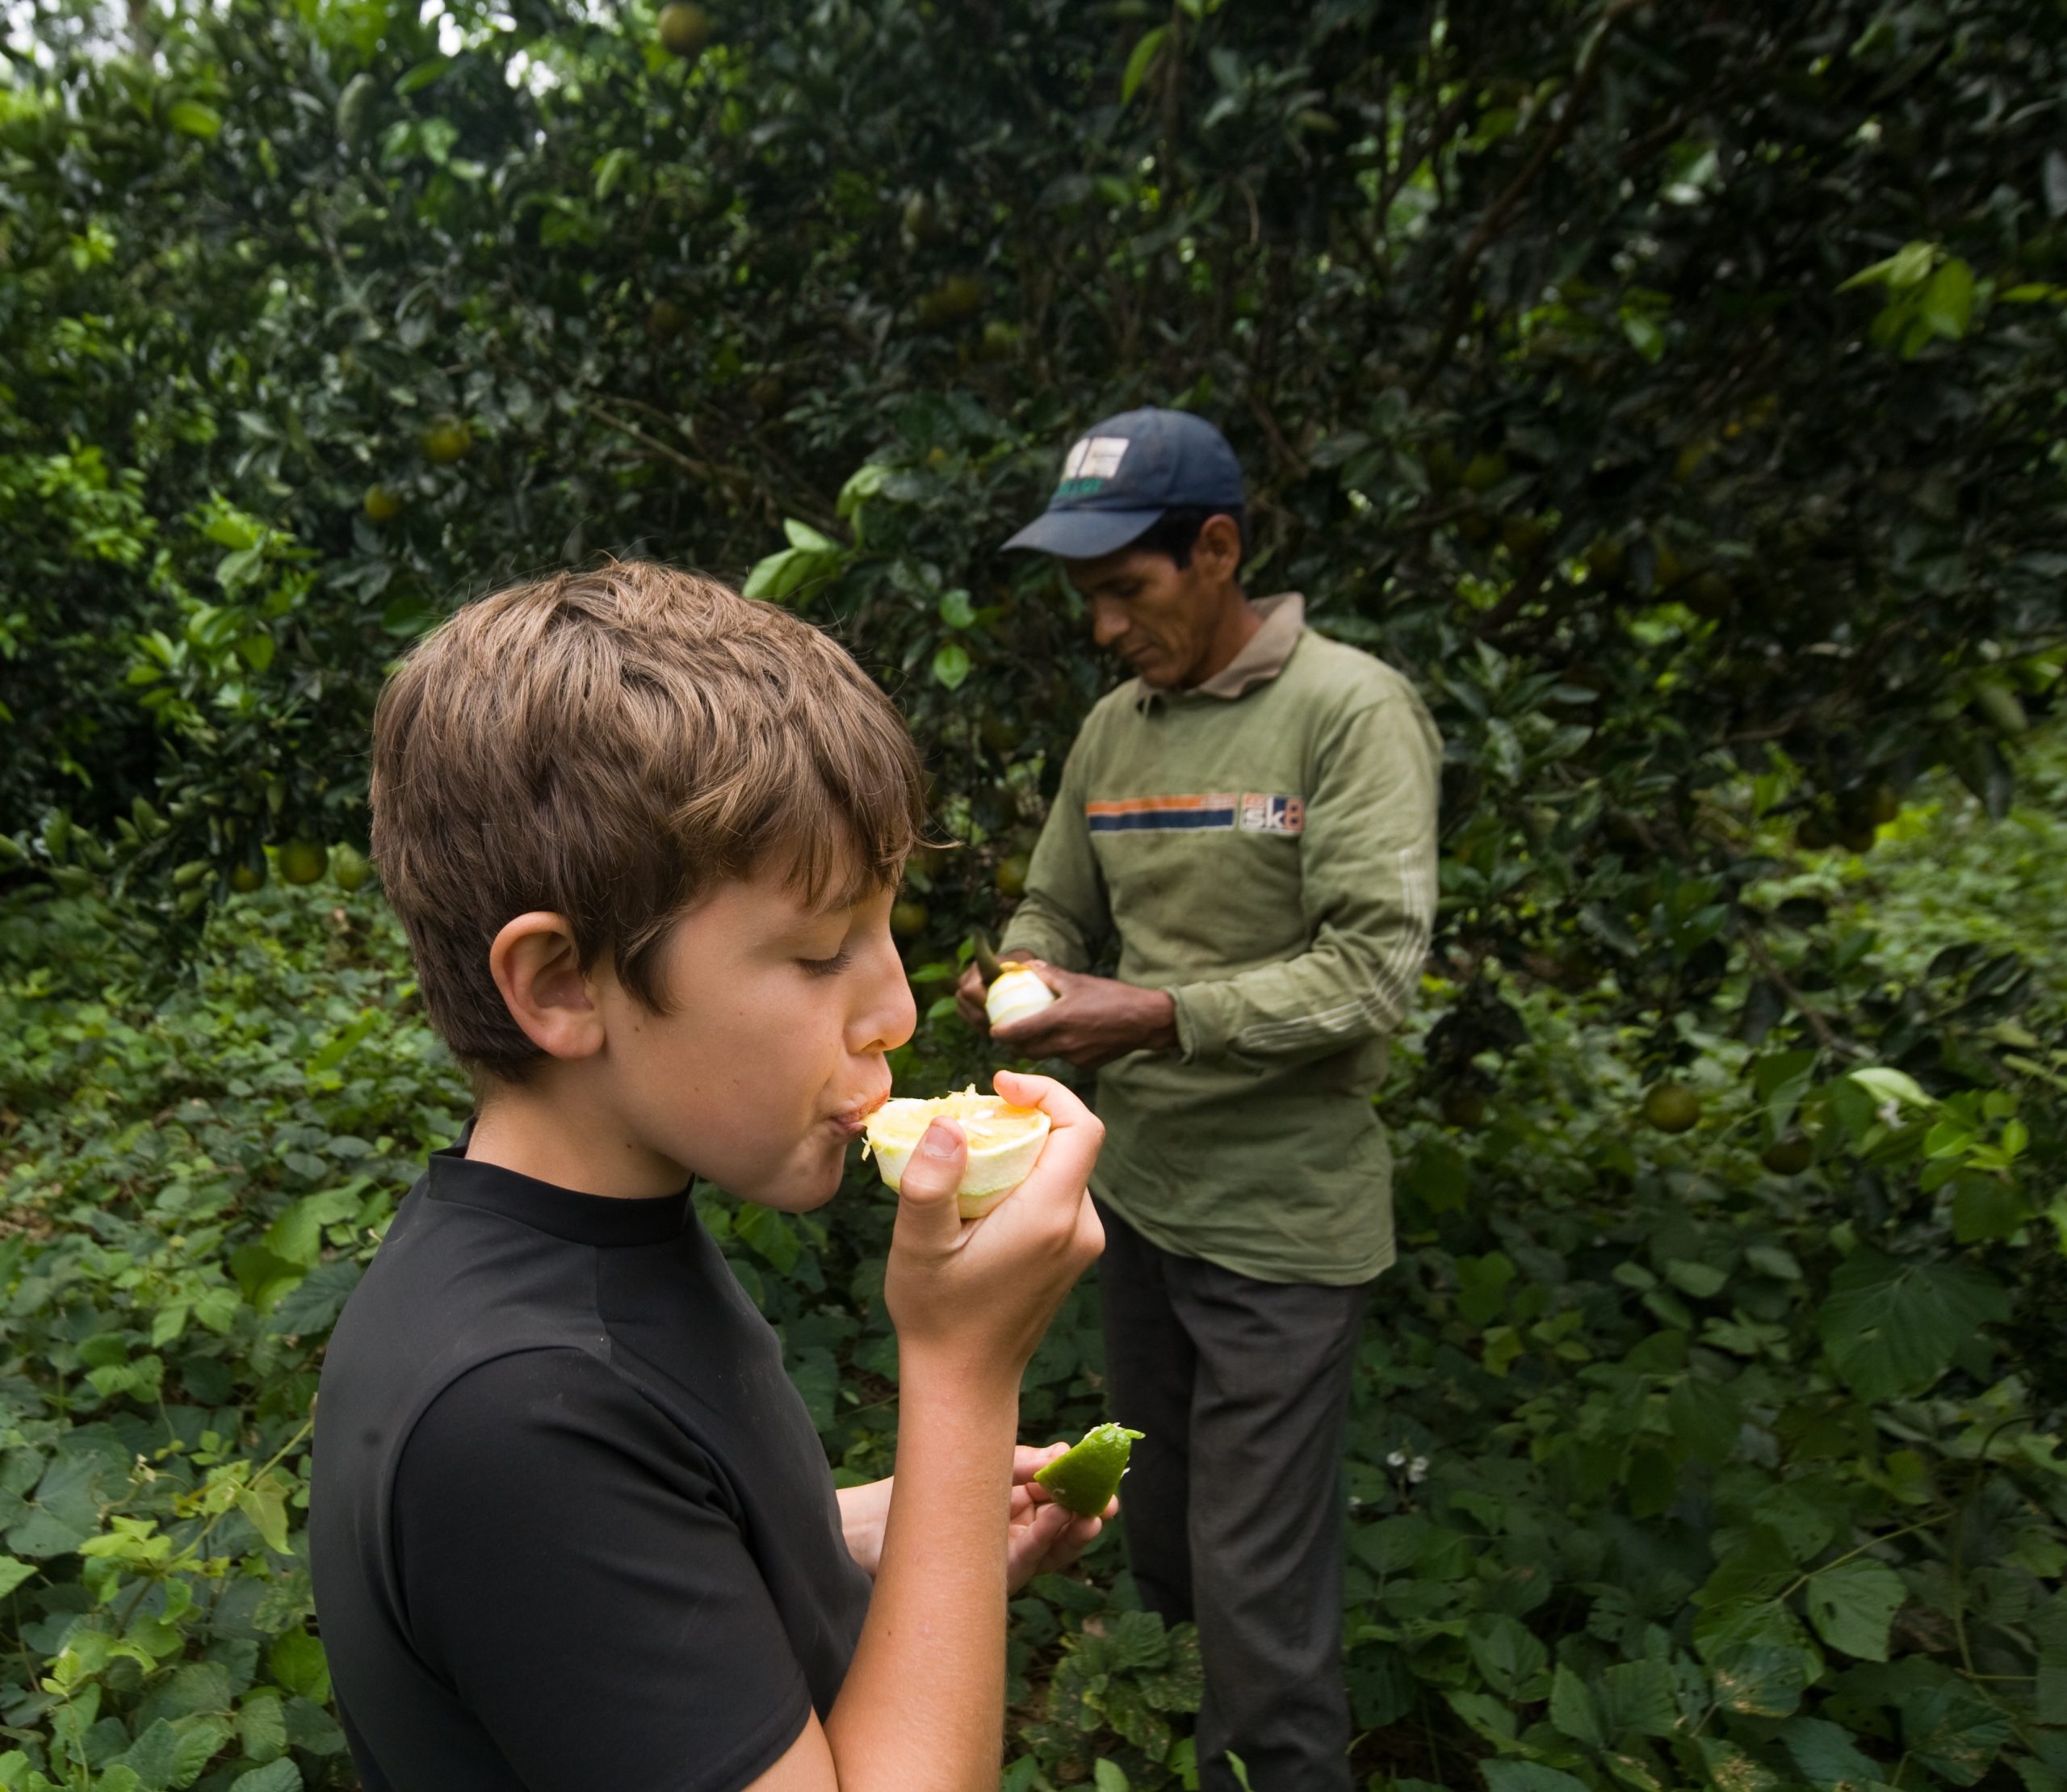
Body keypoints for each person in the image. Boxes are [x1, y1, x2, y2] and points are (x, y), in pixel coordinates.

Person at [309, 562, 1109, 1792]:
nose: (894, 1010)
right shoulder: (516, 1417)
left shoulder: (580, 1253)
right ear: (565, 984)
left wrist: (903, 1530)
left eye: (885, 931)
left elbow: (654, 1568)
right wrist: (963, 1378)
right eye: (817, 949)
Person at [959, 408, 1442, 1792]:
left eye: (1131, 589)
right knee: (1157, 1531)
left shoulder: (1349, 714)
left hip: (1281, 1228)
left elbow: (1369, 977)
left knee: (1260, 1596)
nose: (1107, 627)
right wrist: (1031, 982)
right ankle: (1159, 1737)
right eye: (1089, 599)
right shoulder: (1118, 732)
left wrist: (1156, 1014)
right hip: (1138, 1205)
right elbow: (1056, 901)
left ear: (1218, 549)